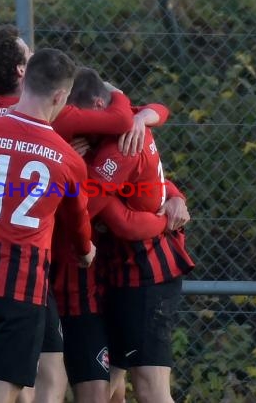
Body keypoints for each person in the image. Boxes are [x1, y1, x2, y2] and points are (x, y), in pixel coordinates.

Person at [0, 24, 139, 403]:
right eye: (28, 54)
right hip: (25, 270)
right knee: (29, 379)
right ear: (23, 73)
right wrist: (124, 99)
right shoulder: (59, 119)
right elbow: (122, 122)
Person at [0, 48, 96, 403]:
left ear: (25, 81)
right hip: (20, 287)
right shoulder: (69, 158)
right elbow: (77, 227)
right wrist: (87, 251)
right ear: (60, 96)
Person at [50, 67, 190, 403]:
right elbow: (155, 111)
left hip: (146, 268)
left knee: (150, 386)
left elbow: (100, 211)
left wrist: (166, 215)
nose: (85, 126)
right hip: (116, 271)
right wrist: (171, 193)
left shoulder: (122, 141)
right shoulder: (122, 123)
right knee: (114, 382)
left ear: (102, 105)